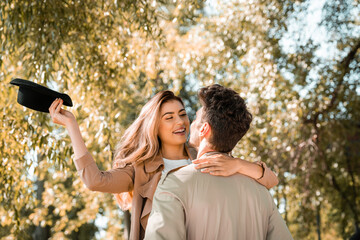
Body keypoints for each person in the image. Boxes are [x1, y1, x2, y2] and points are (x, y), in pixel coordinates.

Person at [49, 90, 279, 240]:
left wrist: (238, 164)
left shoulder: (203, 155)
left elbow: (269, 181)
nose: (180, 122)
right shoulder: (140, 170)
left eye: (182, 114)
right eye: (169, 117)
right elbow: (94, 180)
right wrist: (71, 126)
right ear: (155, 126)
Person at [145, 84, 293, 240]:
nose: (191, 123)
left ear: (204, 129)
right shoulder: (262, 194)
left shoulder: (174, 183)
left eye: (196, 118)